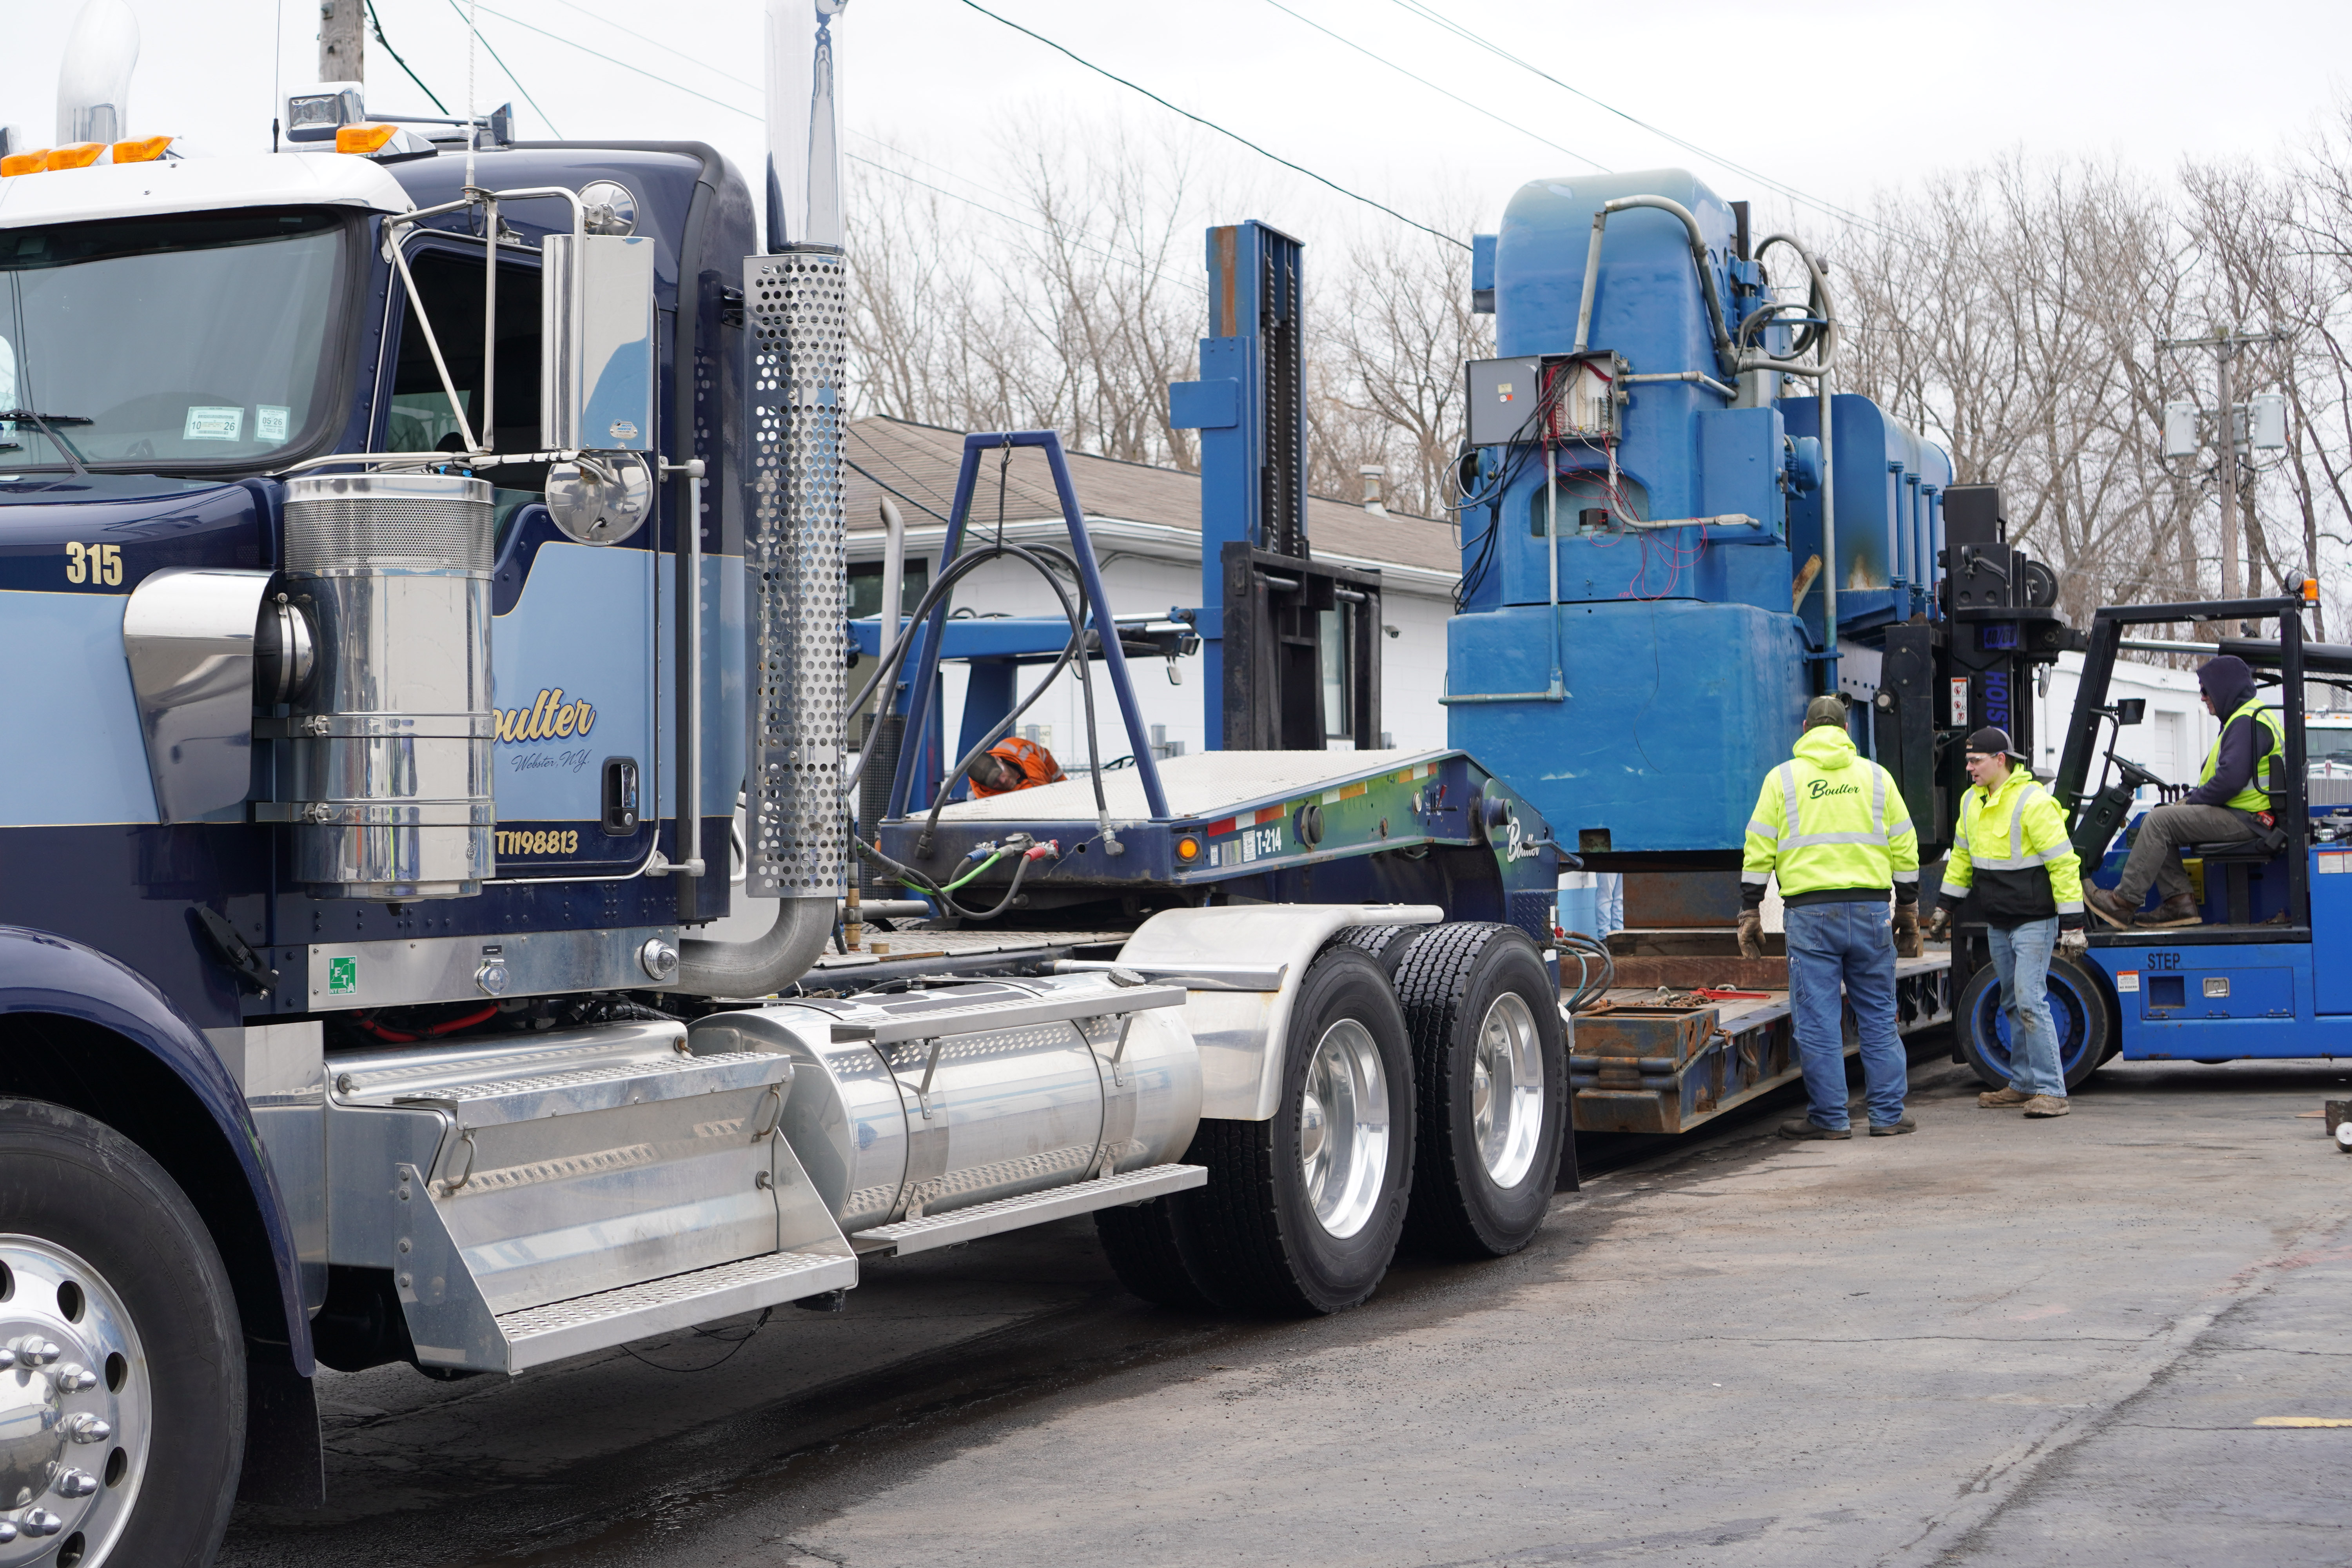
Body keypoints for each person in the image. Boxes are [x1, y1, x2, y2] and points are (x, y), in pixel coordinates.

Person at [1740, 694, 1922, 1140]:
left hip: (1811, 914)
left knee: (1819, 1020)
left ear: (1805, 729)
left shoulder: (1782, 778)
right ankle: (1887, 1116)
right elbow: (1905, 845)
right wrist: (1908, 906)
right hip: (1872, 912)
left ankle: (1830, 1119)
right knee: (1878, 1015)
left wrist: (1750, 909)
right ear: (1845, 731)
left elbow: (1759, 847)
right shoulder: (1876, 777)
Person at [1924, 726, 2086, 1119]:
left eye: (1976, 761)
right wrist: (1945, 906)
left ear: (2001, 760)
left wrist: (2073, 925)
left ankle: (2053, 1091)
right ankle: (2023, 1084)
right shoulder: (1971, 801)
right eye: (1968, 761)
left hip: (2034, 921)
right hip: (1998, 920)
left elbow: (2064, 864)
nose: (1969, 768)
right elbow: (1962, 858)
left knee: (2030, 1000)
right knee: (2012, 1001)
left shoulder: (2033, 802)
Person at [2084, 655, 2283, 930]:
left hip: (2247, 818)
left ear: (2225, 687)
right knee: (2161, 816)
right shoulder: (2247, 718)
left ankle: (2123, 903)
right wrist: (2189, 801)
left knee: (2159, 822)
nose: (2203, 697)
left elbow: (2230, 781)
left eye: (2206, 690)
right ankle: (2179, 904)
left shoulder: (2247, 721)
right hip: (2245, 815)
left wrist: (2192, 801)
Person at [966, 735, 1065, 798]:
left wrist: (1064, 789)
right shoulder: (990, 801)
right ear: (987, 786)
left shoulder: (1015, 746)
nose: (1003, 781)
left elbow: (1046, 758)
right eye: (995, 783)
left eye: (1000, 773)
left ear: (998, 759)